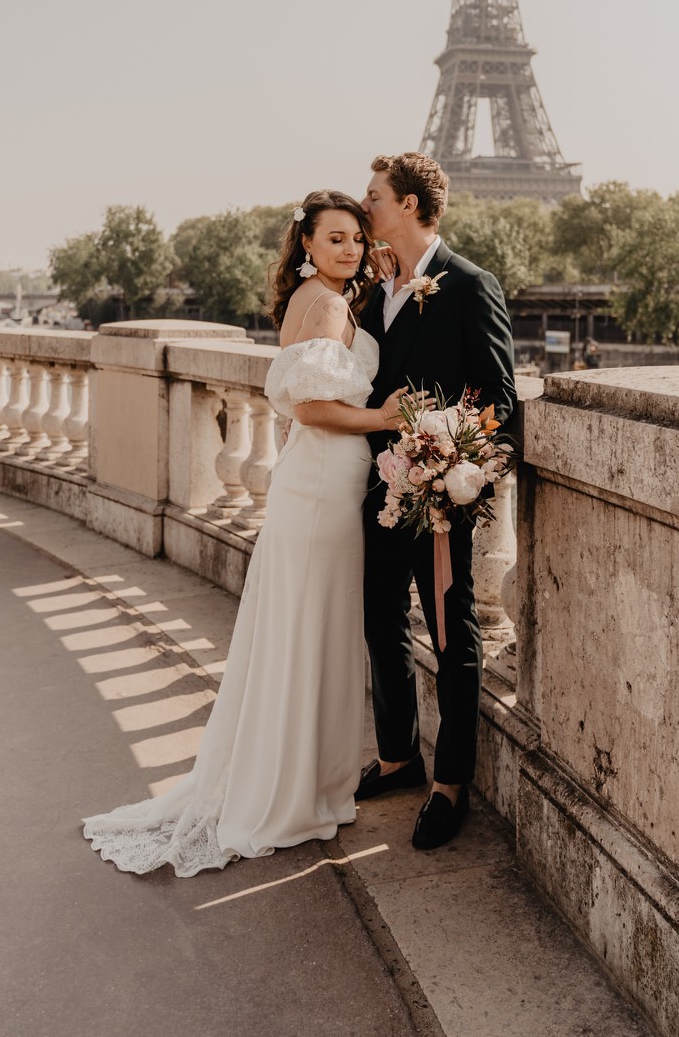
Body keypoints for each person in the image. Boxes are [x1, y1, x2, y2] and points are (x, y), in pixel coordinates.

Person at [83, 191, 410, 875]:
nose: (350, 249)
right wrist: (386, 420)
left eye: (357, 237)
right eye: (336, 239)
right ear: (308, 245)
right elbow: (314, 408)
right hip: (323, 487)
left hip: (315, 485)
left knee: (305, 631)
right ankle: (295, 791)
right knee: (313, 630)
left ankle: (299, 778)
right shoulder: (323, 304)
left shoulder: (319, 298)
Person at [357, 153, 516, 850]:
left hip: (438, 496)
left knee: (454, 634)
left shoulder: (472, 285)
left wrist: (454, 465)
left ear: (413, 206)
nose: (365, 210)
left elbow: (501, 400)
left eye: (374, 198)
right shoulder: (373, 292)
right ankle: (398, 757)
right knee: (380, 622)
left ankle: (449, 781)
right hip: (375, 485)